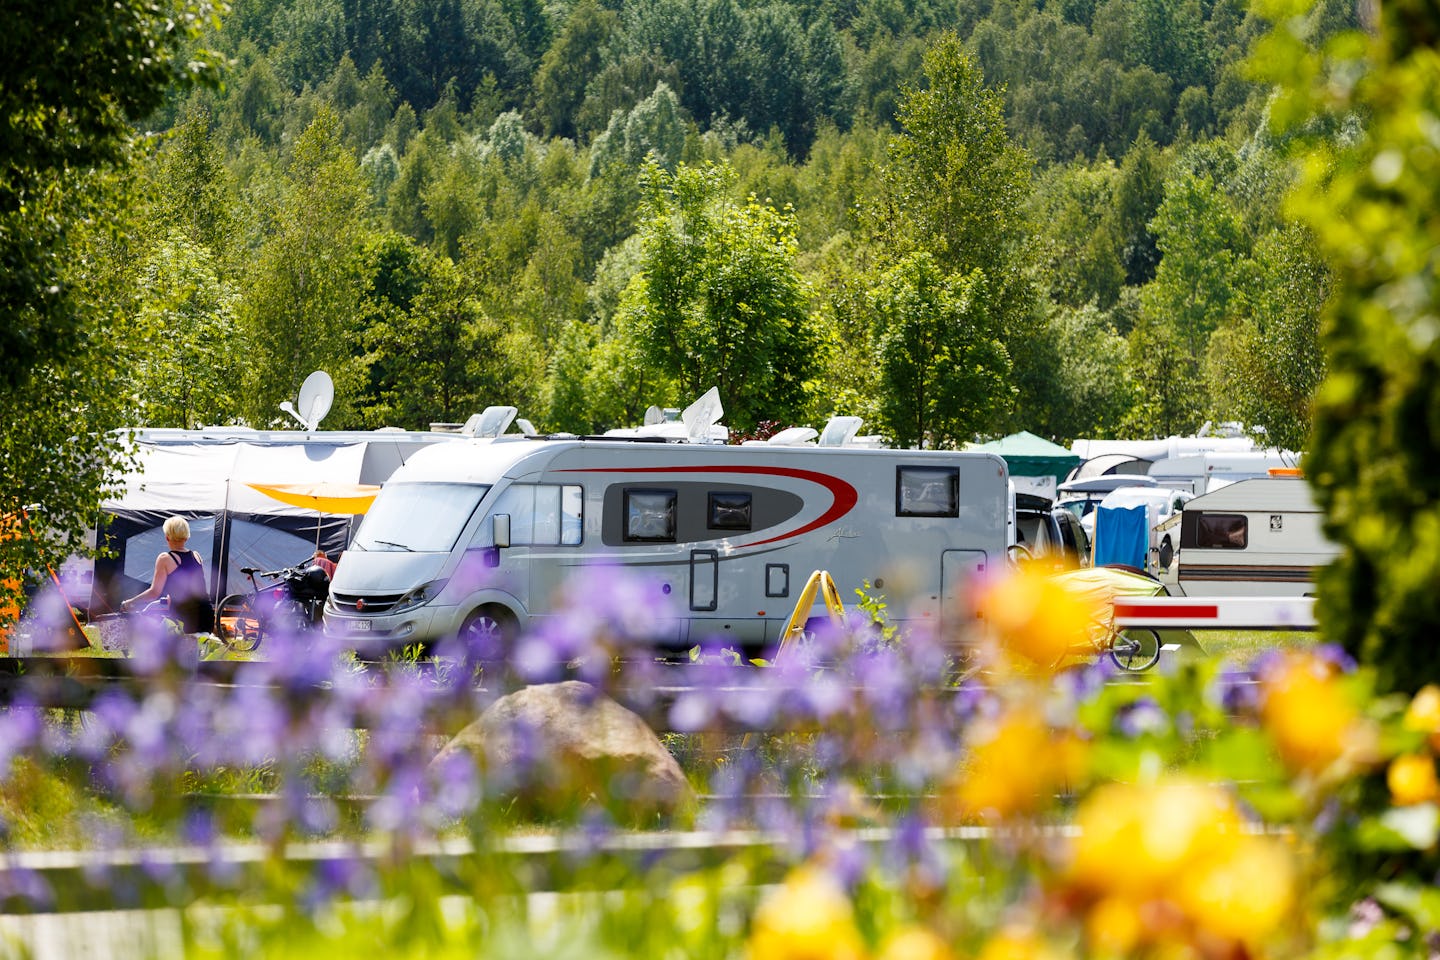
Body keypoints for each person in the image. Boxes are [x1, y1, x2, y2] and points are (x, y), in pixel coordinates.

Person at [120, 516, 214, 633]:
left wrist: (130, 602)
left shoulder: (165, 559)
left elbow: (154, 592)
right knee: (199, 650)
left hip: (186, 619)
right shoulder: (196, 556)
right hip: (207, 615)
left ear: (167, 537)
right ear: (186, 536)